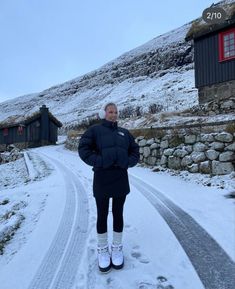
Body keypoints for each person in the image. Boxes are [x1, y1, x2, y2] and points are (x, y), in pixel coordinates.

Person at [78, 102, 139, 273]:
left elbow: (135, 151)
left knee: (118, 213)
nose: (113, 114)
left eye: (116, 112)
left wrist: (127, 162)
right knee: (102, 214)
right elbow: (83, 149)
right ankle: (103, 250)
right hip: (102, 178)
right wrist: (100, 161)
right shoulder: (94, 131)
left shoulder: (124, 133)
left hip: (120, 178)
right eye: (110, 111)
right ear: (104, 113)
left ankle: (117, 248)